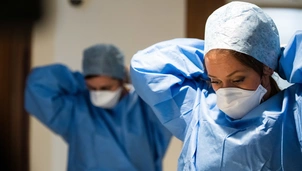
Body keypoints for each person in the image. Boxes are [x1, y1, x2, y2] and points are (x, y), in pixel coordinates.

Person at [130, 1, 302, 170]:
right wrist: (216, 52)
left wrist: (274, 57)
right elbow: (144, 65)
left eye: (238, 80)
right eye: (215, 80)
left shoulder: (294, 112)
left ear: (266, 69)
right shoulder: (199, 108)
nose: (226, 92)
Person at [25, 44, 172, 171]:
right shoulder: (77, 109)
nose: (98, 94)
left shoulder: (145, 108)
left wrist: (134, 76)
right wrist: (79, 81)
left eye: (105, 87)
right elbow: (37, 84)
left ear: (121, 80)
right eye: (92, 87)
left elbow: (172, 85)